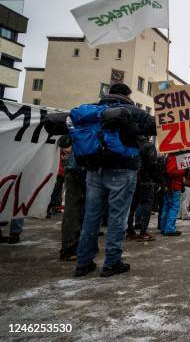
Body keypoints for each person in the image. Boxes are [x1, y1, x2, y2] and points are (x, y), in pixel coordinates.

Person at [71, 83, 156, 278]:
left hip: (94, 169)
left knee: (91, 217)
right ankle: (112, 262)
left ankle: (83, 263)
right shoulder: (133, 111)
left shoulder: (92, 109)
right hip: (123, 168)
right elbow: (156, 127)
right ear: (128, 95)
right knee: (118, 217)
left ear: (109, 94)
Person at [58, 136, 87, 261]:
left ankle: (72, 245)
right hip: (80, 169)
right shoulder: (84, 125)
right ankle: (70, 248)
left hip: (75, 168)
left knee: (75, 209)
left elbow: (62, 142)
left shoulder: (76, 125)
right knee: (74, 209)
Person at [126, 136, 158, 241]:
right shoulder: (149, 146)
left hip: (132, 179)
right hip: (146, 180)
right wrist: (155, 178)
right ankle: (143, 232)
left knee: (131, 206)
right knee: (147, 206)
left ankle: (130, 231)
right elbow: (153, 165)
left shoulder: (131, 143)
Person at [160, 153, 184, 236]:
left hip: (168, 186)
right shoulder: (174, 157)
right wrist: (182, 170)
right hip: (174, 186)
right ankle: (169, 228)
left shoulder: (168, 156)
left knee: (166, 207)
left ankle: (163, 227)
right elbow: (170, 171)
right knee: (174, 207)